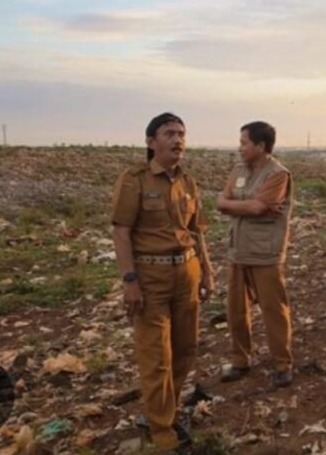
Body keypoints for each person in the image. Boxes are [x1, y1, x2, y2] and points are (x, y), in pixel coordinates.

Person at [111, 112, 215, 451]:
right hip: (150, 277)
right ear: (151, 141)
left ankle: (163, 410)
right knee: (157, 356)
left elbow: (197, 232)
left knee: (185, 349)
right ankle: (163, 432)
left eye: (182, 134)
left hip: (187, 273)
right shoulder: (134, 179)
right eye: (169, 133)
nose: (178, 140)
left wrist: (208, 272)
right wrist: (129, 280)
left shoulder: (188, 182)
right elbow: (121, 232)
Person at [217, 121, 294, 387]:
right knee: (236, 311)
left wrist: (233, 205)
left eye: (244, 143)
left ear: (260, 146)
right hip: (238, 251)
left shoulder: (277, 174)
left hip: (265, 253)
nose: (240, 148)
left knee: (273, 310)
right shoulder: (239, 170)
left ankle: (282, 364)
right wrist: (240, 204)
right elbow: (222, 200)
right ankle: (240, 360)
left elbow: (259, 207)